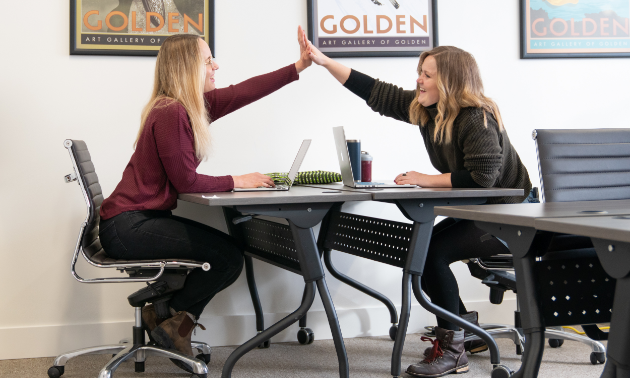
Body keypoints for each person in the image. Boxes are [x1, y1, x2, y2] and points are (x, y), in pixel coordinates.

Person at [306, 44, 534, 377]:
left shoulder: (476, 116)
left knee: (430, 255)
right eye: (419, 73)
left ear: (451, 82)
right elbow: (378, 93)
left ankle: (454, 349)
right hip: (485, 212)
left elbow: (484, 177)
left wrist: (423, 179)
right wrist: (325, 62)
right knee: (421, 251)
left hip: (513, 216)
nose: (419, 81)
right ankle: (466, 332)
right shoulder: (430, 110)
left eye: (427, 75)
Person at [98, 27, 312, 371]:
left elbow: (243, 92)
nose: (216, 66)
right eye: (209, 60)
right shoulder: (170, 112)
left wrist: (298, 66)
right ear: (188, 68)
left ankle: (165, 317)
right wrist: (237, 181)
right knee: (226, 257)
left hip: (135, 221)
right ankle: (169, 323)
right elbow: (185, 180)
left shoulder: (186, 107)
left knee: (227, 254)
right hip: (128, 225)